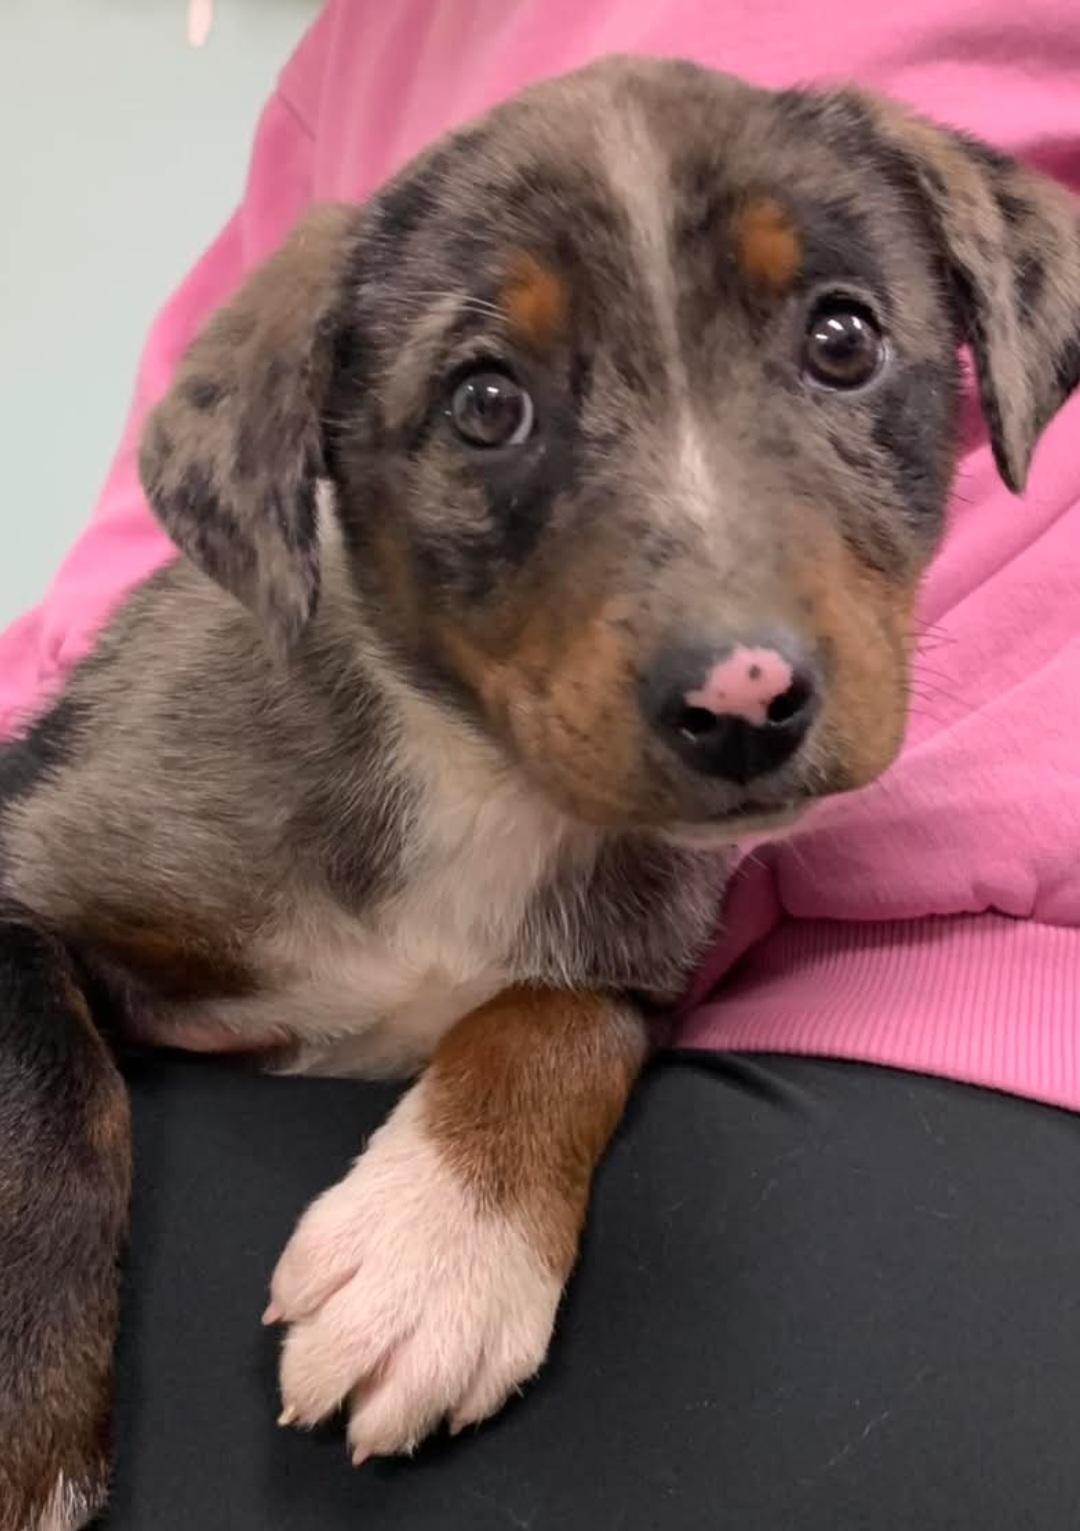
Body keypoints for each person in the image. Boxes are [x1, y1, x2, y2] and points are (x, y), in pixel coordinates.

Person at [6, 2, 1080, 1526]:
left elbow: (623, 986)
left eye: (837, 345)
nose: (739, 655)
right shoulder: (212, 759)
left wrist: (547, 1076)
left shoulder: (656, 877)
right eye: (490, 402)